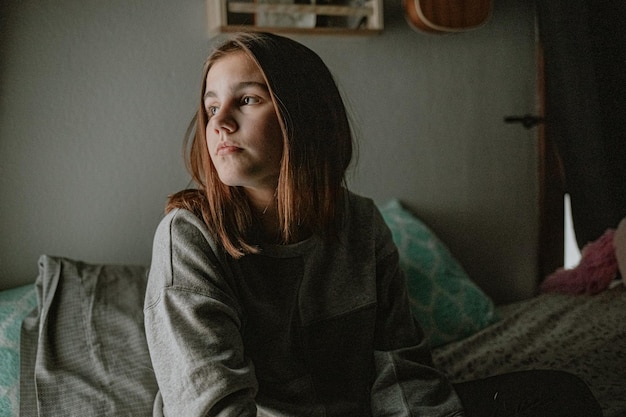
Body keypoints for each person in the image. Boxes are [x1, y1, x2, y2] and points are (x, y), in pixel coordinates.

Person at [144, 32, 603, 417]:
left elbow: (399, 369)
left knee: (560, 394)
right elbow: (211, 405)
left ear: (302, 115)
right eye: (210, 107)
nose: (219, 122)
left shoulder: (360, 224)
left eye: (246, 99)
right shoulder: (188, 235)